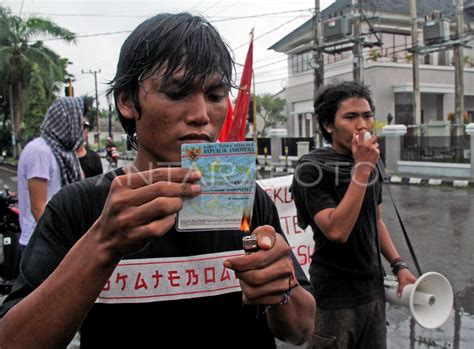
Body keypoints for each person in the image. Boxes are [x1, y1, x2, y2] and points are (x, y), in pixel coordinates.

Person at [0, 13, 316, 348]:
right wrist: (102, 245)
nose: (201, 114)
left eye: (215, 95)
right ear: (126, 101)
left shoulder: (247, 199)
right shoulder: (79, 206)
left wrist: (282, 289)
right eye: (177, 92)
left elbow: (301, 330)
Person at [291, 81, 417, 349]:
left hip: (372, 292)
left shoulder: (370, 162)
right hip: (334, 298)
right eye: (350, 117)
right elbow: (336, 231)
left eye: (367, 115)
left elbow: (377, 220)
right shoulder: (311, 170)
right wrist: (362, 168)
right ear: (328, 125)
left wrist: (399, 265)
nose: (362, 125)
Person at [16, 96, 84, 251]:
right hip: (41, 243)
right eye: (77, 121)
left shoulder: (63, 152)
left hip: (56, 239)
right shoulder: (40, 152)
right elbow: (38, 209)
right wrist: (62, 242)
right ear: (66, 122)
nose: (79, 127)